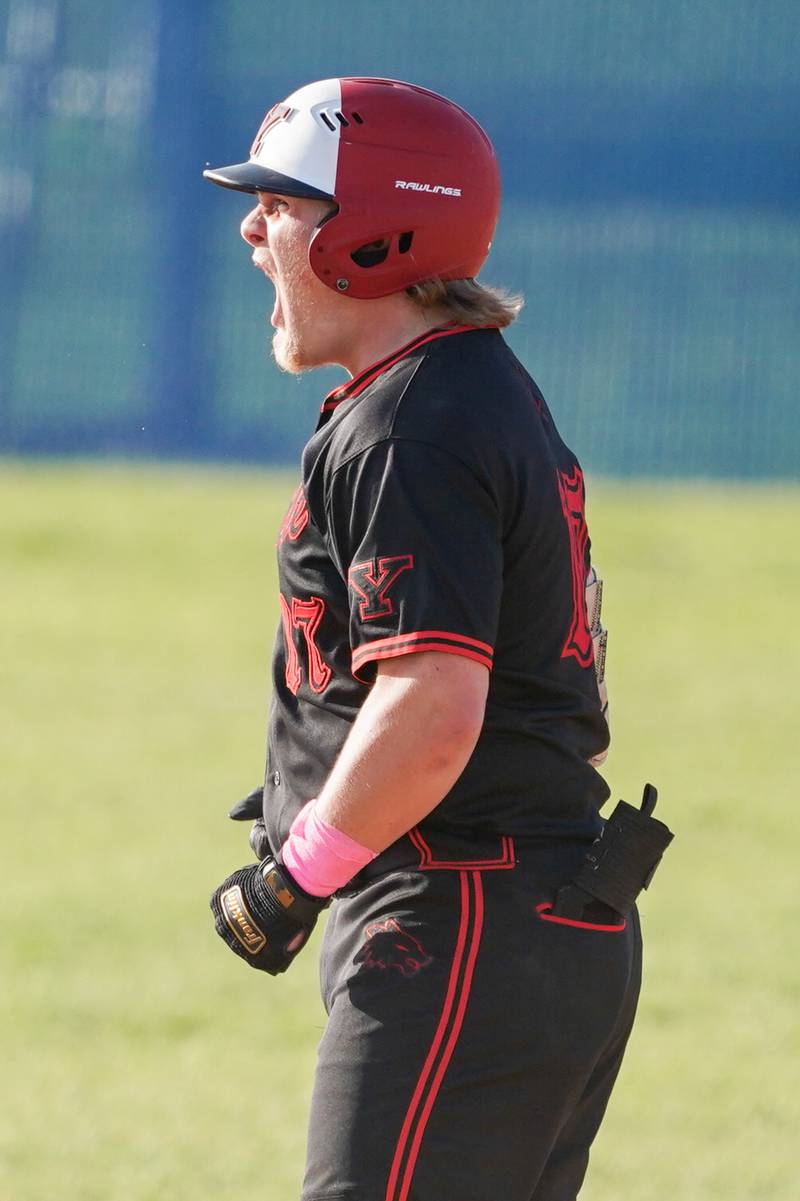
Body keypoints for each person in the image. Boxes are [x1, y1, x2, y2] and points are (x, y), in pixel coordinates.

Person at [203, 77, 658, 1201]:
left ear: (378, 230)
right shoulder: (456, 393)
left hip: (460, 915)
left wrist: (295, 877)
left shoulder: (413, 421)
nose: (253, 228)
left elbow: (431, 709)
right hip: (515, 914)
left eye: (285, 202)